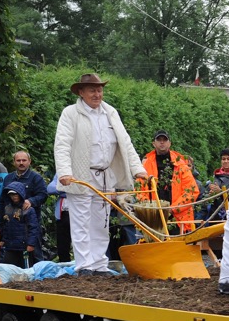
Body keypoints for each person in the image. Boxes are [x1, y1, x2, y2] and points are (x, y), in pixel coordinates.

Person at [54, 73, 148, 276]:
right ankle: (84, 266)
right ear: (81, 92)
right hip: (80, 176)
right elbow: (62, 144)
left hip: (105, 176)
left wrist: (138, 169)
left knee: (101, 222)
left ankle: (98, 264)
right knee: (81, 222)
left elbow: (125, 143)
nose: (97, 94)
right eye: (92, 91)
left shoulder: (110, 112)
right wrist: (65, 172)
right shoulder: (70, 113)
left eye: (99, 90)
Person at [141, 130, 199, 235]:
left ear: (169, 143)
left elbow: (191, 191)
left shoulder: (181, 165)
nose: (162, 142)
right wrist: (152, 209)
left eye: (164, 140)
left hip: (178, 219)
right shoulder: (146, 165)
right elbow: (140, 191)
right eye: (159, 140)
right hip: (154, 218)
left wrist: (172, 209)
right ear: (154, 143)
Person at [0, 182, 41, 268]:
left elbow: (33, 228)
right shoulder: (7, 209)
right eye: (11, 194)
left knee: (26, 270)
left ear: (21, 194)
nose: (13, 196)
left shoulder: (28, 210)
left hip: (24, 247)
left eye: (16, 194)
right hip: (10, 246)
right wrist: (3, 240)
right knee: (9, 269)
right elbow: (6, 226)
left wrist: (31, 244)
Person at [204, 147, 229, 223]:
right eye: (223, 159)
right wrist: (210, 195)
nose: (226, 161)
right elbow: (204, 198)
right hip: (215, 216)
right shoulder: (215, 176)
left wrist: (220, 192)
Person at [46, 178, 72, 262]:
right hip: (62, 214)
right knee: (62, 245)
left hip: (79, 212)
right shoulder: (60, 173)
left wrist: (62, 189)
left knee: (81, 242)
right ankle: (64, 266)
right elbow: (50, 189)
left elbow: (82, 190)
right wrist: (69, 189)